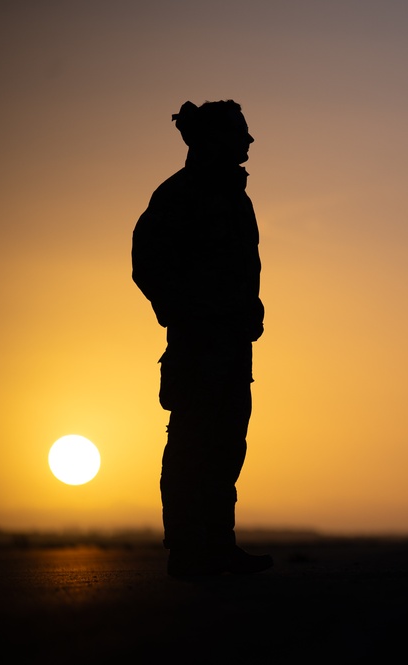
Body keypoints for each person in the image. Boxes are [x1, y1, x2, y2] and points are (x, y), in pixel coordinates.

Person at [132, 100, 272, 576]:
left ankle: (217, 545)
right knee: (194, 442)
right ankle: (190, 551)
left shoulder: (235, 197)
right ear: (215, 139)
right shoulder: (180, 194)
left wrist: (249, 309)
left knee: (228, 443)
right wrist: (185, 312)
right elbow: (147, 264)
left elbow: (241, 268)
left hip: (232, 343)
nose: (250, 142)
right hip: (197, 344)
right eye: (241, 133)